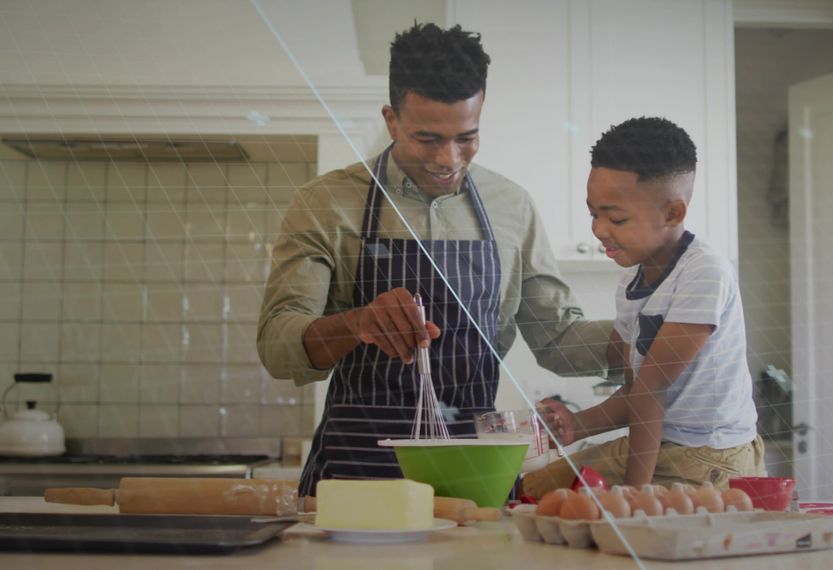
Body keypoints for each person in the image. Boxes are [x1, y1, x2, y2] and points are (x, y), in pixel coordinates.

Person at [257, 22, 614, 496]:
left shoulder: (512, 206)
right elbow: (277, 345)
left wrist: (645, 333)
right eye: (427, 139)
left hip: (476, 473)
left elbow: (558, 338)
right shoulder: (325, 203)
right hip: (358, 475)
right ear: (390, 118)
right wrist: (358, 322)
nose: (449, 158)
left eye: (466, 137)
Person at [521, 117, 765, 497]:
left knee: (550, 497)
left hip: (710, 457)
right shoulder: (631, 283)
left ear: (673, 213)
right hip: (670, 447)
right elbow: (636, 392)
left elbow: (651, 390)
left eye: (616, 217)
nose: (599, 230)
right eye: (593, 214)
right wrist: (577, 427)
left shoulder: (704, 272)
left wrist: (634, 499)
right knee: (533, 489)